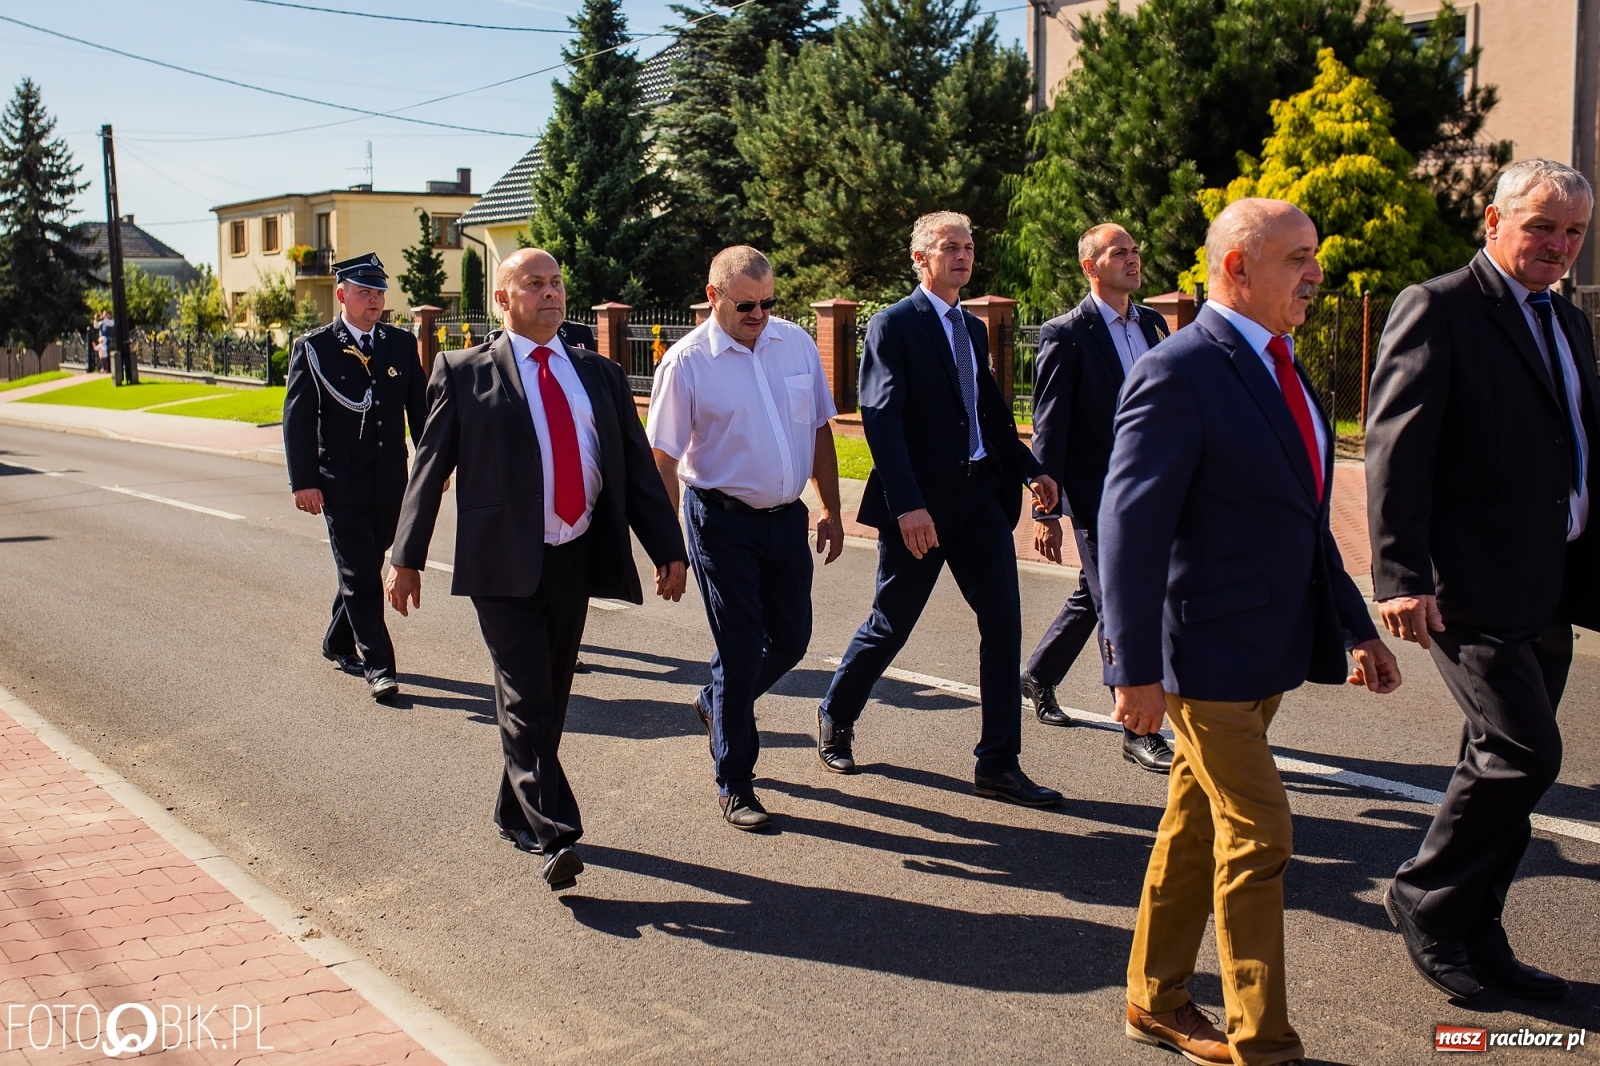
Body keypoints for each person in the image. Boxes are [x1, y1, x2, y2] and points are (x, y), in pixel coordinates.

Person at [1100, 198, 1400, 1066]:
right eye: (1297, 258)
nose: (1315, 274)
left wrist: (1355, 627)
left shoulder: (1286, 365)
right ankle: (1260, 1039)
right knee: (1261, 832)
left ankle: (1153, 1000)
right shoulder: (1179, 369)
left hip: (1263, 647)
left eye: (1315, 255)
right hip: (1201, 656)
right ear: (1237, 265)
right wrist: (1132, 668)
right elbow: (1130, 529)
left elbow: (1304, 520)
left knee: (1195, 827)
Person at [1366, 159, 1597, 1003]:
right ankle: (1426, 899)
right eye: (1542, 226)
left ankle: (1478, 928)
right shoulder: (1440, 306)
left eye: (1574, 231)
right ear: (1493, 222)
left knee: (1496, 756)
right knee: (1523, 754)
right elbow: (1396, 447)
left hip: (1552, 579)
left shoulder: (1568, 324)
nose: (1559, 246)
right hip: (1468, 582)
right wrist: (1399, 573)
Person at [385, 248, 687, 892]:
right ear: (503, 298)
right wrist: (406, 557)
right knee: (526, 693)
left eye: (556, 284)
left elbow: (634, 469)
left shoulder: (599, 374)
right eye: (534, 284)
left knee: (549, 694)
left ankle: (511, 807)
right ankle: (555, 833)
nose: (550, 294)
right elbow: (429, 468)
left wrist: (668, 547)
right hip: (500, 560)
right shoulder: (464, 372)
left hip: (574, 553)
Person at [817, 211, 1063, 807]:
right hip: (922, 506)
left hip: (980, 498)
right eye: (949, 247)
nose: (963, 256)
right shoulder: (893, 325)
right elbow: (881, 418)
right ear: (920, 259)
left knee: (1004, 622)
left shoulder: (973, 329)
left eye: (969, 246)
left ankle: (999, 762)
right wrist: (908, 505)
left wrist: (1032, 470)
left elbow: (989, 415)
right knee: (891, 622)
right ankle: (836, 713)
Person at [647, 246, 845, 831]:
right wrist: (668, 548)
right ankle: (735, 782)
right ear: (714, 297)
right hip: (720, 521)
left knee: (790, 641)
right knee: (737, 652)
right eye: (746, 304)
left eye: (768, 302)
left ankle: (715, 704)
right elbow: (662, 460)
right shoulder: (685, 363)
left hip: (786, 518)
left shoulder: (796, 344)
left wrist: (831, 508)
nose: (759, 314)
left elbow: (818, 431)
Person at [1022, 222, 1174, 773]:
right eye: (1119, 253)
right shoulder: (1068, 332)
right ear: (1091, 266)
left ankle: (1038, 674)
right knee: (1120, 602)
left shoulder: (1154, 323)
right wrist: (1047, 510)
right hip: (1097, 493)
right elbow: (1050, 426)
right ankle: (1137, 727)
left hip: (1155, 487)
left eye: (1135, 250)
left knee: (1094, 594)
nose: (1132, 260)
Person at [282, 253, 427, 703]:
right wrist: (303, 480)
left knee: (366, 562)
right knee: (361, 575)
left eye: (380, 292)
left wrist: (431, 464)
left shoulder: (400, 345)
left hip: (390, 484)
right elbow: (298, 420)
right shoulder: (315, 347)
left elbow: (421, 411)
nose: (375, 300)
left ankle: (338, 640)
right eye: (365, 292)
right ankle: (380, 666)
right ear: (341, 294)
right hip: (338, 484)